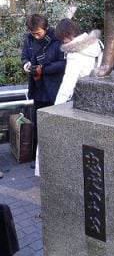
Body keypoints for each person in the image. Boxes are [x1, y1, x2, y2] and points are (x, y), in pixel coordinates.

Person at [21, 14, 66, 167]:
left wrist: (43, 69)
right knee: (38, 125)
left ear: (46, 28)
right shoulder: (28, 40)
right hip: (37, 87)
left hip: (54, 88)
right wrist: (26, 64)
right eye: (33, 33)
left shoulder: (57, 39)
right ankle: (39, 159)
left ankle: (57, 158)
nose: (36, 36)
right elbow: (24, 57)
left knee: (54, 125)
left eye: (38, 33)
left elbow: (62, 64)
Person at [54, 19, 103, 105]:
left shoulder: (74, 53)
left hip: (84, 95)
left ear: (65, 35)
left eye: (62, 38)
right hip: (101, 91)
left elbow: (69, 82)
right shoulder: (98, 43)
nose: (63, 41)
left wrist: (56, 105)